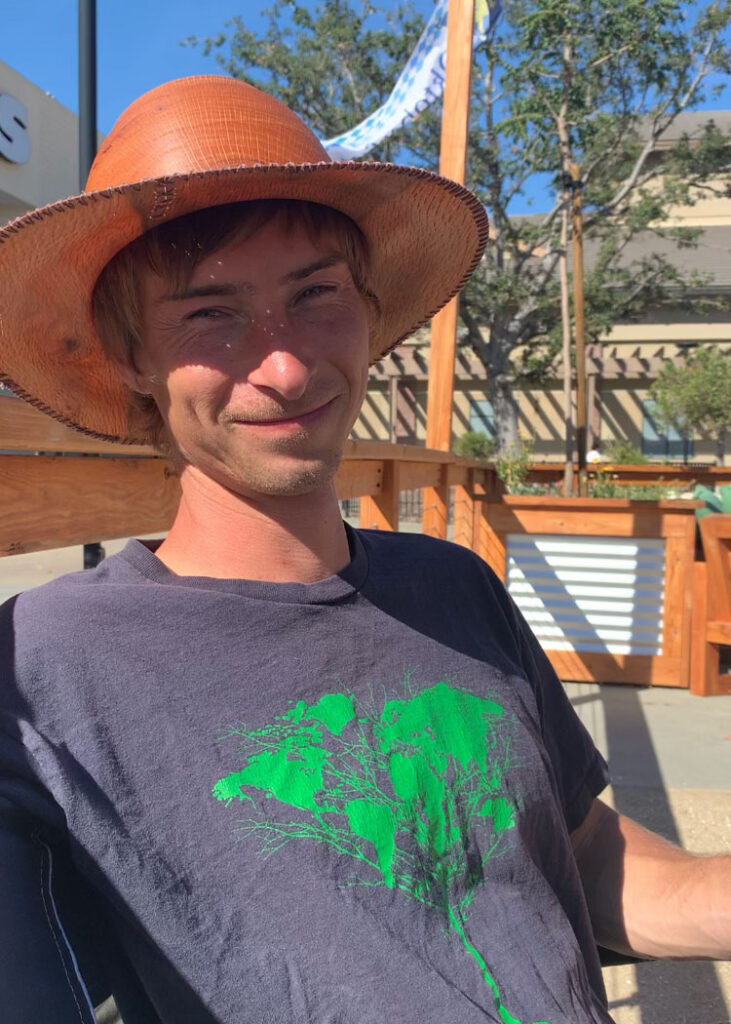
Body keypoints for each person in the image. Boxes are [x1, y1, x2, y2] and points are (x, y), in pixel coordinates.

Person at [0, 76, 728, 1024]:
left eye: (316, 296)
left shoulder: (454, 586)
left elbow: (580, 851)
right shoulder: (45, 663)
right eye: (210, 315)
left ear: (369, 312)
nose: (289, 363)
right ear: (133, 356)